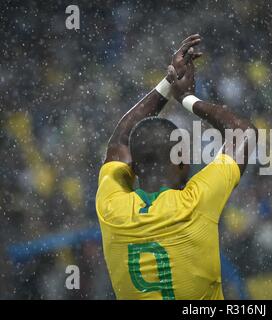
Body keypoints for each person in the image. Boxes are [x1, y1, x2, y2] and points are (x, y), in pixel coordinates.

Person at [95, 34, 257, 299]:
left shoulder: (110, 207)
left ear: (133, 166)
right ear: (181, 161)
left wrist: (168, 83)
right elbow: (244, 133)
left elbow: (121, 139)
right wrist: (187, 98)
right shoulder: (195, 203)